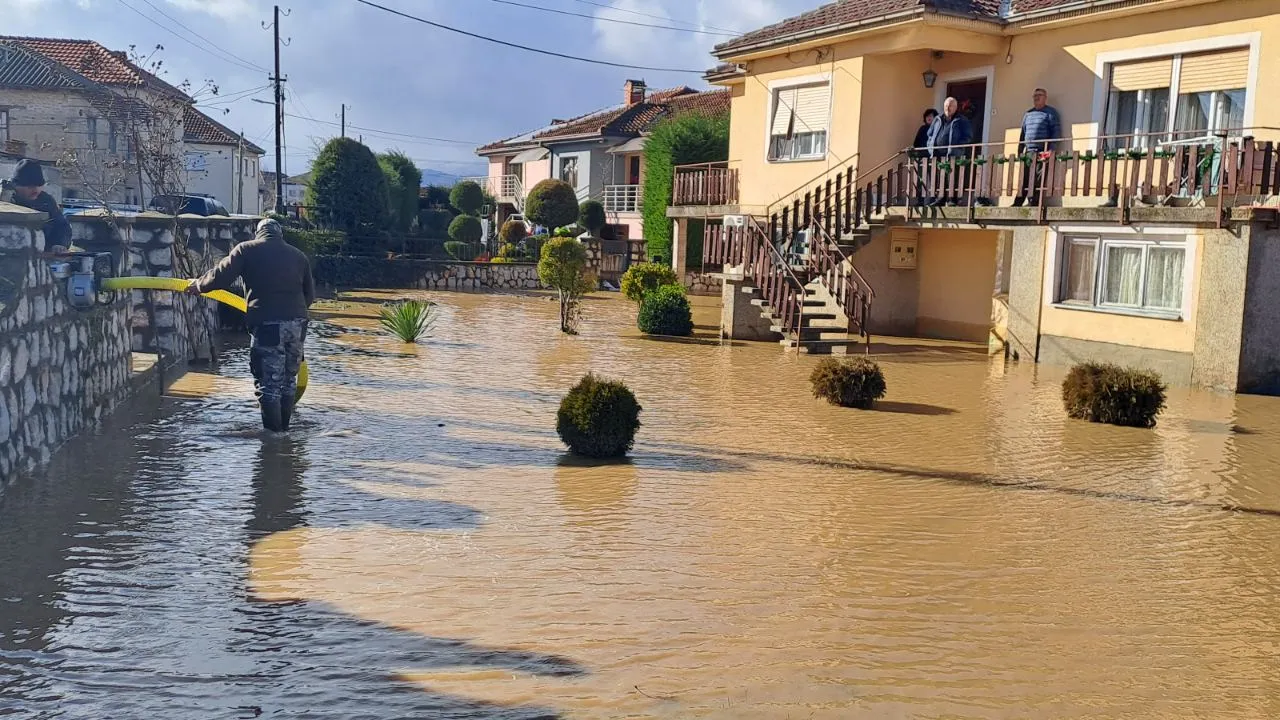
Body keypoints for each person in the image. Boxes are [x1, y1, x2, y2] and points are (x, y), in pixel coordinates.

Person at [186, 218, 315, 433]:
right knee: (288, 379)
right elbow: (309, 295)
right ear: (279, 234)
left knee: (268, 382)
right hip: (298, 324)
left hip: (267, 324)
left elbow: (220, 276)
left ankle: (273, 438)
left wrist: (198, 285)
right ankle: (285, 433)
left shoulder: (246, 249)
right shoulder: (299, 256)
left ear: (258, 233)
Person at [5, 160, 72, 252]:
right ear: (16, 186)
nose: (36, 190)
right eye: (30, 187)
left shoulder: (46, 201)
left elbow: (61, 226)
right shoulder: (6, 201)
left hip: (44, 256)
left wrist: (59, 244)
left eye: (39, 185)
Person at [1014, 88, 1062, 207]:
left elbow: (1056, 132)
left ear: (1045, 98)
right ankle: (1018, 203)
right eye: (1034, 96)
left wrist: (1051, 150)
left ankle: (1034, 203)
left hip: (1042, 152)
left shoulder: (1051, 113)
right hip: (1029, 152)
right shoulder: (1028, 114)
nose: (1036, 98)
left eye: (1039, 95)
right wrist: (1020, 150)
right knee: (1024, 179)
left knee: (1037, 180)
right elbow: (1023, 134)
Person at [926, 97, 975, 206]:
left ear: (956, 107)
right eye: (946, 105)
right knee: (940, 177)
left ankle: (953, 199)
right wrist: (930, 147)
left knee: (953, 177)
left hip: (953, 154)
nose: (948, 107)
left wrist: (958, 146)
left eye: (951, 105)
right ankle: (941, 198)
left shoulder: (961, 120)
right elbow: (930, 134)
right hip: (937, 154)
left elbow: (968, 136)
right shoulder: (937, 119)